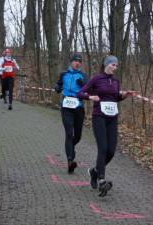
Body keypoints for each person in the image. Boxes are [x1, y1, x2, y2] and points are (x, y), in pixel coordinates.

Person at [77, 55, 134, 197]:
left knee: (111, 151)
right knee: (102, 148)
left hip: (112, 118)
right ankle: (101, 180)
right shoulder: (96, 79)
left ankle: (94, 171)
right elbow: (79, 93)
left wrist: (124, 96)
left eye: (116, 66)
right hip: (99, 117)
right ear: (106, 65)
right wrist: (90, 97)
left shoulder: (115, 80)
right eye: (113, 65)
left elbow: (114, 98)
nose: (115, 68)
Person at [54, 53, 88, 173]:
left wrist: (82, 84)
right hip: (66, 106)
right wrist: (57, 87)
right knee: (69, 132)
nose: (77, 63)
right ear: (71, 62)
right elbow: (58, 83)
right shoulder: (64, 74)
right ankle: (70, 160)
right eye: (75, 61)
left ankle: (71, 147)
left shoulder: (83, 75)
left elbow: (90, 90)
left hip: (78, 107)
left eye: (79, 62)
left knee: (77, 136)